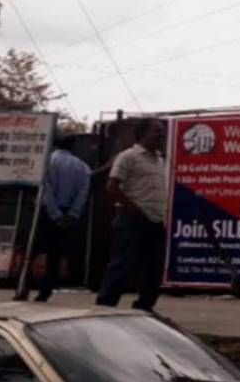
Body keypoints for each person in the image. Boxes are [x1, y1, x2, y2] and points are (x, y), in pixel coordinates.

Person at [96, 118, 169, 312]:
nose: (161, 135)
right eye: (157, 131)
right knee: (123, 265)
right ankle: (104, 307)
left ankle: (144, 308)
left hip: (155, 220)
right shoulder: (128, 156)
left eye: (162, 132)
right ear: (142, 134)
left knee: (154, 268)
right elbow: (111, 187)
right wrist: (133, 207)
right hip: (132, 219)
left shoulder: (160, 160)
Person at [30, 133, 91, 302]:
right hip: (67, 213)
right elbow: (83, 193)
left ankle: (25, 286)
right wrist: (72, 214)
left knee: (34, 249)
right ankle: (46, 291)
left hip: (46, 211)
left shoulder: (46, 162)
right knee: (55, 254)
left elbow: (45, 189)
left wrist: (54, 214)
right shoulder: (82, 167)